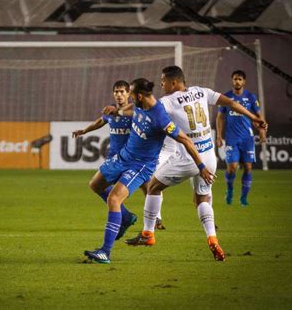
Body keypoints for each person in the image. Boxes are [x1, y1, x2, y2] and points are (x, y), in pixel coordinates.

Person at [125, 66, 267, 262]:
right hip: (209, 157)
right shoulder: (202, 92)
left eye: (163, 81)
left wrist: (118, 110)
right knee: (202, 199)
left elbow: (146, 106)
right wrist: (254, 118)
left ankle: (147, 234)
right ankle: (213, 240)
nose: (161, 84)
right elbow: (231, 103)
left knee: (153, 187)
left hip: (189, 159)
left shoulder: (168, 101)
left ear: (174, 82)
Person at [84, 78, 215, 264]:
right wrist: (118, 110)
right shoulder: (139, 105)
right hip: (123, 156)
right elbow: (130, 110)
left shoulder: (160, 117)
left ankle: (105, 252)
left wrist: (201, 167)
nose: (127, 97)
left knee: (114, 198)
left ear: (138, 96)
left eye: (130, 93)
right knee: (95, 184)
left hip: (140, 165)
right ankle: (126, 216)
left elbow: (185, 140)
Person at [73, 80, 137, 240]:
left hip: (131, 160)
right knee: (97, 186)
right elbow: (100, 122)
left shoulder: (134, 112)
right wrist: (84, 130)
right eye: (116, 92)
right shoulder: (110, 111)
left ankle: (151, 219)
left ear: (129, 94)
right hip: (114, 159)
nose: (119, 94)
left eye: (122, 91)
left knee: (146, 189)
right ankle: (126, 216)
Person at [216, 70, 266, 206]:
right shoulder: (225, 97)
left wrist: (262, 132)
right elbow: (220, 117)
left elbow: (259, 116)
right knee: (232, 167)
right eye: (235, 79)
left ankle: (244, 198)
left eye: (240, 79)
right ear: (232, 81)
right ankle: (230, 190)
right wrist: (219, 136)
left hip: (247, 138)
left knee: (248, 167)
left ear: (244, 82)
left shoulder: (251, 97)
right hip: (231, 138)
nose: (237, 81)